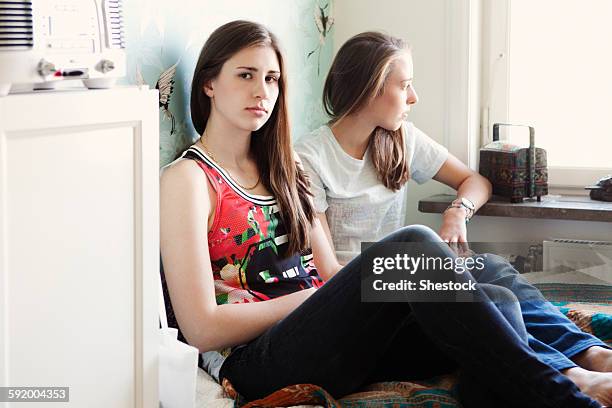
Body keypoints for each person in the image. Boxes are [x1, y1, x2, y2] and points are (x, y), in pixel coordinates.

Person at [160, 20, 607, 407]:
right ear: (209, 83)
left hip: (328, 335)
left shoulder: (285, 167)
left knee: (499, 301)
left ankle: (514, 391)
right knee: (414, 243)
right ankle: (567, 394)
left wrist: (368, 288)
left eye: (273, 79)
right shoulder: (189, 178)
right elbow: (201, 327)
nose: (262, 91)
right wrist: (325, 297)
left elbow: (325, 272)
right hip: (255, 361)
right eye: (245, 75)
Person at [295, 31, 612, 405]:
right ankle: (570, 376)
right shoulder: (308, 158)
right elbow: (329, 273)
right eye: (406, 85)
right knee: (491, 299)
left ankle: (592, 356)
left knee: (490, 270)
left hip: (411, 284)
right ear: (370, 88)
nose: (414, 97)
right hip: (365, 309)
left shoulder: (400, 139)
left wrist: (457, 212)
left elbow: (474, 180)